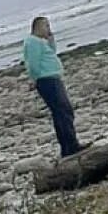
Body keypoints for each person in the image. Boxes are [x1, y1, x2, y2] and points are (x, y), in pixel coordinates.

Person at [22, 16, 83, 157]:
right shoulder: (33, 42)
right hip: (46, 80)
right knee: (63, 111)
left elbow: (51, 52)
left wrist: (51, 40)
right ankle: (71, 146)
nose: (48, 29)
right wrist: (35, 78)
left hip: (52, 77)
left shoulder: (40, 42)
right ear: (38, 27)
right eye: (46, 26)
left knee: (62, 112)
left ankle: (68, 147)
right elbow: (33, 64)